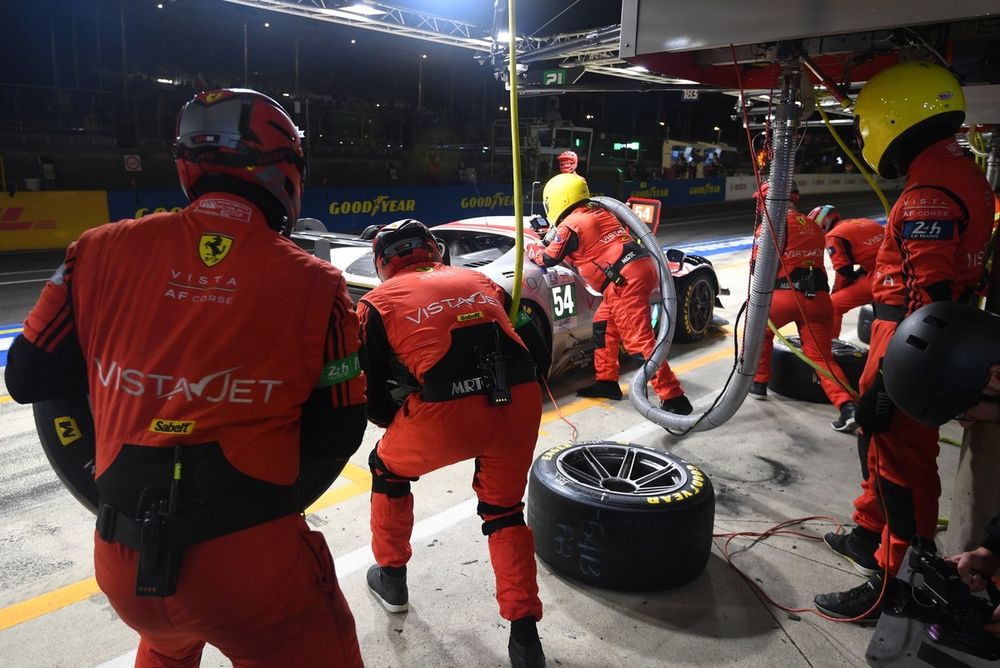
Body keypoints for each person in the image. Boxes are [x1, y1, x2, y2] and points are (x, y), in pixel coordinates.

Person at [4, 89, 368, 667]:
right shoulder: (317, 283)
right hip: (251, 562)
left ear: (188, 167)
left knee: (166, 648)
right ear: (286, 169)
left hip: (124, 560)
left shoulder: (93, 249)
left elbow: (26, 376)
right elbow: (340, 428)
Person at [814, 61, 995, 621]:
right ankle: (871, 535)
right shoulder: (961, 171)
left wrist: (893, 384)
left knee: (902, 468)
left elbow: (925, 300)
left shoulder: (927, 192)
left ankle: (894, 586)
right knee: (882, 449)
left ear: (891, 117)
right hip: (924, 342)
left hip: (911, 347)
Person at [358, 219, 549, 668]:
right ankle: (526, 642)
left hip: (443, 412)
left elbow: (370, 393)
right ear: (433, 250)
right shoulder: (482, 281)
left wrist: (401, 420)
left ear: (383, 261)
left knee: (386, 469)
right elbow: (537, 353)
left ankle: (392, 580)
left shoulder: (375, 302)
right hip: (519, 401)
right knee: (504, 512)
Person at [529, 172, 693, 415]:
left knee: (639, 341)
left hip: (623, 280)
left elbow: (548, 258)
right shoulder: (599, 212)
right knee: (603, 325)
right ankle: (606, 382)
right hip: (634, 271)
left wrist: (533, 248)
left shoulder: (570, 225)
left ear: (558, 199)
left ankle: (674, 397)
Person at [748, 182, 858, 433]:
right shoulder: (813, 225)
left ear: (768, 200)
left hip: (783, 296)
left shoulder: (769, 226)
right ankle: (847, 406)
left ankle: (758, 384)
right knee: (822, 358)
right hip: (818, 299)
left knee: (755, 333)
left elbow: (758, 267)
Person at [808, 205, 884, 337]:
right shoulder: (865, 222)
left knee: (832, 305)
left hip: (880, 276)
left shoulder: (834, 236)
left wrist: (836, 291)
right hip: (894, 270)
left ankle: (831, 344)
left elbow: (844, 271)